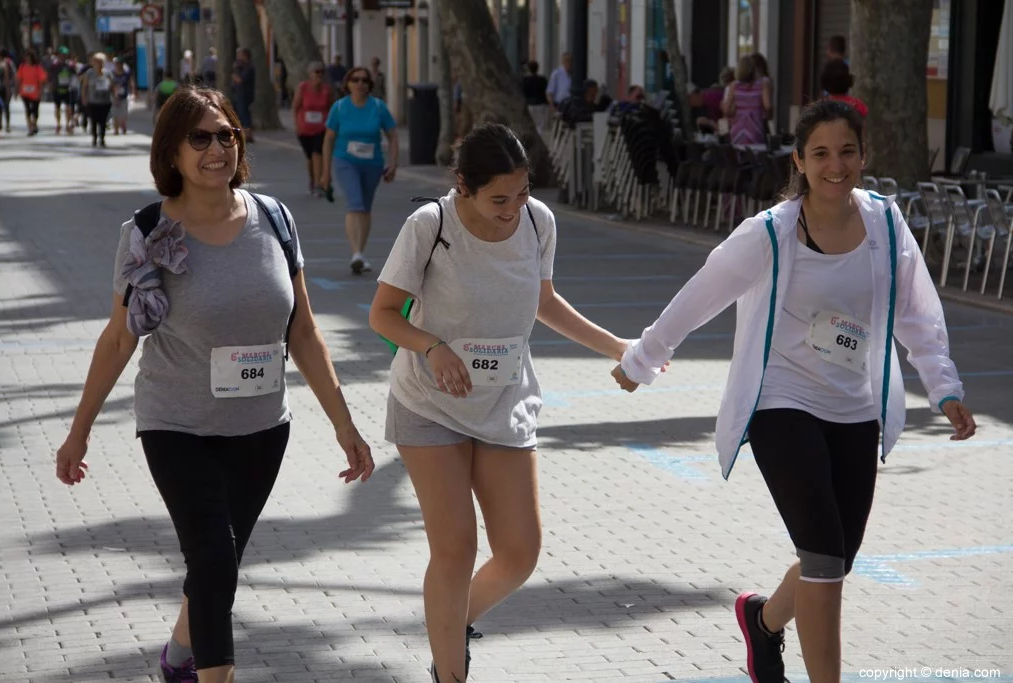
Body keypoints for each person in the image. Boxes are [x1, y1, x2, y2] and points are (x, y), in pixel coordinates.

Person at [612, 99, 976, 683]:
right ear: (800, 162)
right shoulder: (770, 234)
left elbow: (917, 315)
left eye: (848, 152)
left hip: (855, 406)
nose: (837, 165)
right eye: (822, 154)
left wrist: (944, 388)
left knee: (831, 558)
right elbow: (702, 294)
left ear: (864, 155)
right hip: (780, 403)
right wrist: (643, 357)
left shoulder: (885, 224)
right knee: (827, 558)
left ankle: (763, 621)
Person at [54, 86, 375, 683]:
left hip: (260, 428)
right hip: (177, 425)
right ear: (171, 152)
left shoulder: (275, 219)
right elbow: (119, 339)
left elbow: (303, 332)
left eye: (225, 133)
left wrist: (344, 425)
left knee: (216, 567)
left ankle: (180, 653)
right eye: (199, 137)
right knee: (213, 557)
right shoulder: (147, 232)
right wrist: (79, 432)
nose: (216, 148)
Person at [369, 122, 636, 683]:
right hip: (429, 405)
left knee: (520, 553)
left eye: (523, 191)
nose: (513, 207)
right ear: (463, 185)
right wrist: (431, 346)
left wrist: (618, 347)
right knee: (456, 548)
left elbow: (546, 303)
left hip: (504, 403)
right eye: (499, 198)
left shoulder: (539, 222)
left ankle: (450, 622)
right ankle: (449, 670)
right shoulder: (430, 225)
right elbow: (383, 314)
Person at [319, 65, 399, 275]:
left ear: (369, 85)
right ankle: (355, 253)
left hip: (372, 163)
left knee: (365, 207)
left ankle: (360, 253)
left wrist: (393, 163)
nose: (360, 84)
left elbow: (392, 136)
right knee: (355, 203)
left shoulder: (378, 107)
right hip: (345, 161)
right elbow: (328, 140)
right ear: (347, 84)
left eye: (364, 80)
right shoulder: (339, 107)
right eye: (355, 80)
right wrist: (325, 173)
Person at [292, 61, 334, 196]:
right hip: (304, 128)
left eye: (321, 72)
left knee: (318, 154)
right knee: (310, 157)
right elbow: (295, 107)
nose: (319, 75)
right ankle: (312, 179)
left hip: (322, 128)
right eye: (316, 72)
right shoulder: (303, 87)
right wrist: (296, 125)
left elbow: (332, 108)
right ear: (310, 74)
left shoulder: (327, 90)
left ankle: (318, 184)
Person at [722, 54, 769, 145]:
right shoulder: (762, 85)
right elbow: (768, 106)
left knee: (739, 156)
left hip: (737, 130)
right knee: (755, 156)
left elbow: (727, 111)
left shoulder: (734, 86)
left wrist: (734, 110)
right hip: (756, 129)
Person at [82, 52, 116, 148]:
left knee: (103, 121)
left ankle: (102, 138)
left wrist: (115, 96)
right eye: (97, 61)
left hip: (105, 101)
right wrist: (84, 97)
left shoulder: (108, 73)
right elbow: (85, 86)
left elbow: (112, 86)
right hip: (93, 101)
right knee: (94, 121)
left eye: (101, 62)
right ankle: (94, 138)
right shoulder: (89, 73)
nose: (99, 64)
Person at [16, 49, 48, 135]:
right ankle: (30, 127)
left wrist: (41, 91)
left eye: (29, 58)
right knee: (28, 110)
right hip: (25, 92)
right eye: (26, 58)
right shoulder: (22, 67)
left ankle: (34, 124)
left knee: (35, 111)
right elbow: (19, 79)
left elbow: (42, 80)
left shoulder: (37, 68)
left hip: (35, 93)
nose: (28, 60)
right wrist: (17, 90)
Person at [231, 48, 256, 142]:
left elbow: (240, 80)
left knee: (244, 114)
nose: (238, 57)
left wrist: (234, 76)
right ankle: (243, 133)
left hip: (245, 94)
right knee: (240, 113)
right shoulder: (240, 66)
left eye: (239, 55)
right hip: (239, 94)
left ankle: (248, 134)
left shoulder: (249, 67)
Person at [522, 60, 549, 133]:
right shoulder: (542, 79)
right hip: (540, 104)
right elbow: (546, 92)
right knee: (540, 124)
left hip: (530, 104)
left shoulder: (525, 80)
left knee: (530, 124)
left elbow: (523, 92)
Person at [111, 56, 135, 135]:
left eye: (118, 64)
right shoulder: (112, 74)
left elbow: (131, 83)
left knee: (124, 113)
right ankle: (116, 130)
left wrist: (133, 92)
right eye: (116, 64)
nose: (117, 65)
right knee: (115, 113)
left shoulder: (126, 74)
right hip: (114, 96)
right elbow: (110, 84)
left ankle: (122, 123)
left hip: (124, 96)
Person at [0, 49, 16, 133]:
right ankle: (0, 124)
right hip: (1, 87)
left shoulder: (6, 63)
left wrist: (9, 89)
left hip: (4, 87)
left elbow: (9, 77)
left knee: (5, 106)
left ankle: (6, 124)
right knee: (0, 106)